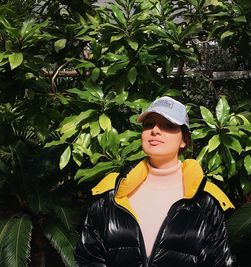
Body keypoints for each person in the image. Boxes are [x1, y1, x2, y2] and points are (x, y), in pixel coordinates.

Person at [75, 96, 235, 267]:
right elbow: (89, 257)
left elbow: (220, 261)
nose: (155, 130)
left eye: (169, 125)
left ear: (184, 141)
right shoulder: (114, 191)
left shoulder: (204, 199)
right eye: (149, 124)